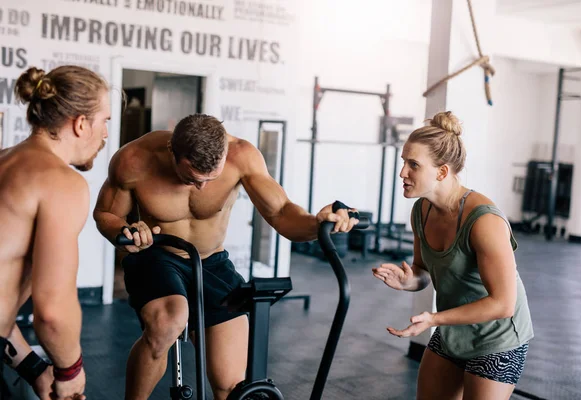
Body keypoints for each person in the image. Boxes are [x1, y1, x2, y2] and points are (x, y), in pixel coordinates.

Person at [93, 113, 358, 400]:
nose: (202, 187)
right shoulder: (134, 159)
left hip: (212, 262)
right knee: (169, 321)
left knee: (231, 384)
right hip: (157, 255)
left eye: (211, 179)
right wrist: (125, 229)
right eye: (192, 178)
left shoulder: (241, 156)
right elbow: (106, 214)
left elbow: (281, 213)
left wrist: (320, 225)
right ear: (172, 151)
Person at [372, 111, 534, 400]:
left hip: (497, 338)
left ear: (442, 171)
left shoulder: (484, 221)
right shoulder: (421, 211)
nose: (402, 173)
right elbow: (422, 271)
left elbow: (503, 304)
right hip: (453, 330)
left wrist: (434, 318)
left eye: (413, 165)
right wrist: (407, 280)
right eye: (403, 163)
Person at [0, 65, 110, 400]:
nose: (105, 134)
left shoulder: (4, 161)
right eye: (105, 120)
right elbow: (52, 309)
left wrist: (33, 367)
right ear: (80, 123)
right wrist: (70, 371)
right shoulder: (61, 183)